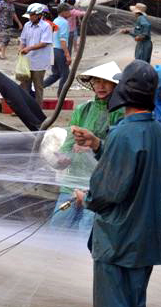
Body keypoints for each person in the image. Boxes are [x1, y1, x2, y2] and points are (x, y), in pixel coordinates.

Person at [71, 60, 161, 307]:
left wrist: (88, 198)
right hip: (146, 239)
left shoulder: (126, 133)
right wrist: (99, 145)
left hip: (118, 239)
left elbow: (106, 192)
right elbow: (130, 168)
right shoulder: (154, 130)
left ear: (122, 92)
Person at [50, 62, 123, 230]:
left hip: (99, 186)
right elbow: (69, 141)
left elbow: (117, 149)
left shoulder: (119, 113)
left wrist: (93, 146)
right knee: (57, 228)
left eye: (105, 82)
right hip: (72, 181)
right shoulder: (83, 109)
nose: (101, 86)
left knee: (86, 233)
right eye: (97, 81)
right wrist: (62, 156)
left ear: (115, 85)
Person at [18, 3, 53, 106]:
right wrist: (21, 48)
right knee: (24, 86)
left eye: (32, 14)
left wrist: (29, 48)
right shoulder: (27, 25)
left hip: (39, 62)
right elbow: (23, 40)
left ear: (39, 15)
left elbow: (44, 43)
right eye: (30, 14)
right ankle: (24, 108)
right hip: (27, 61)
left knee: (38, 87)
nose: (30, 17)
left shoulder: (46, 26)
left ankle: (38, 109)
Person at [44, 3, 72, 91]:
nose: (70, 13)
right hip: (59, 51)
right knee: (65, 75)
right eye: (68, 11)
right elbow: (62, 39)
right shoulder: (64, 22)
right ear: (63, 12)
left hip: (52, 50)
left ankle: (39, 87)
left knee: (56, 74)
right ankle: (61, 96)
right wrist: (67, 55)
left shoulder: (55, 20)